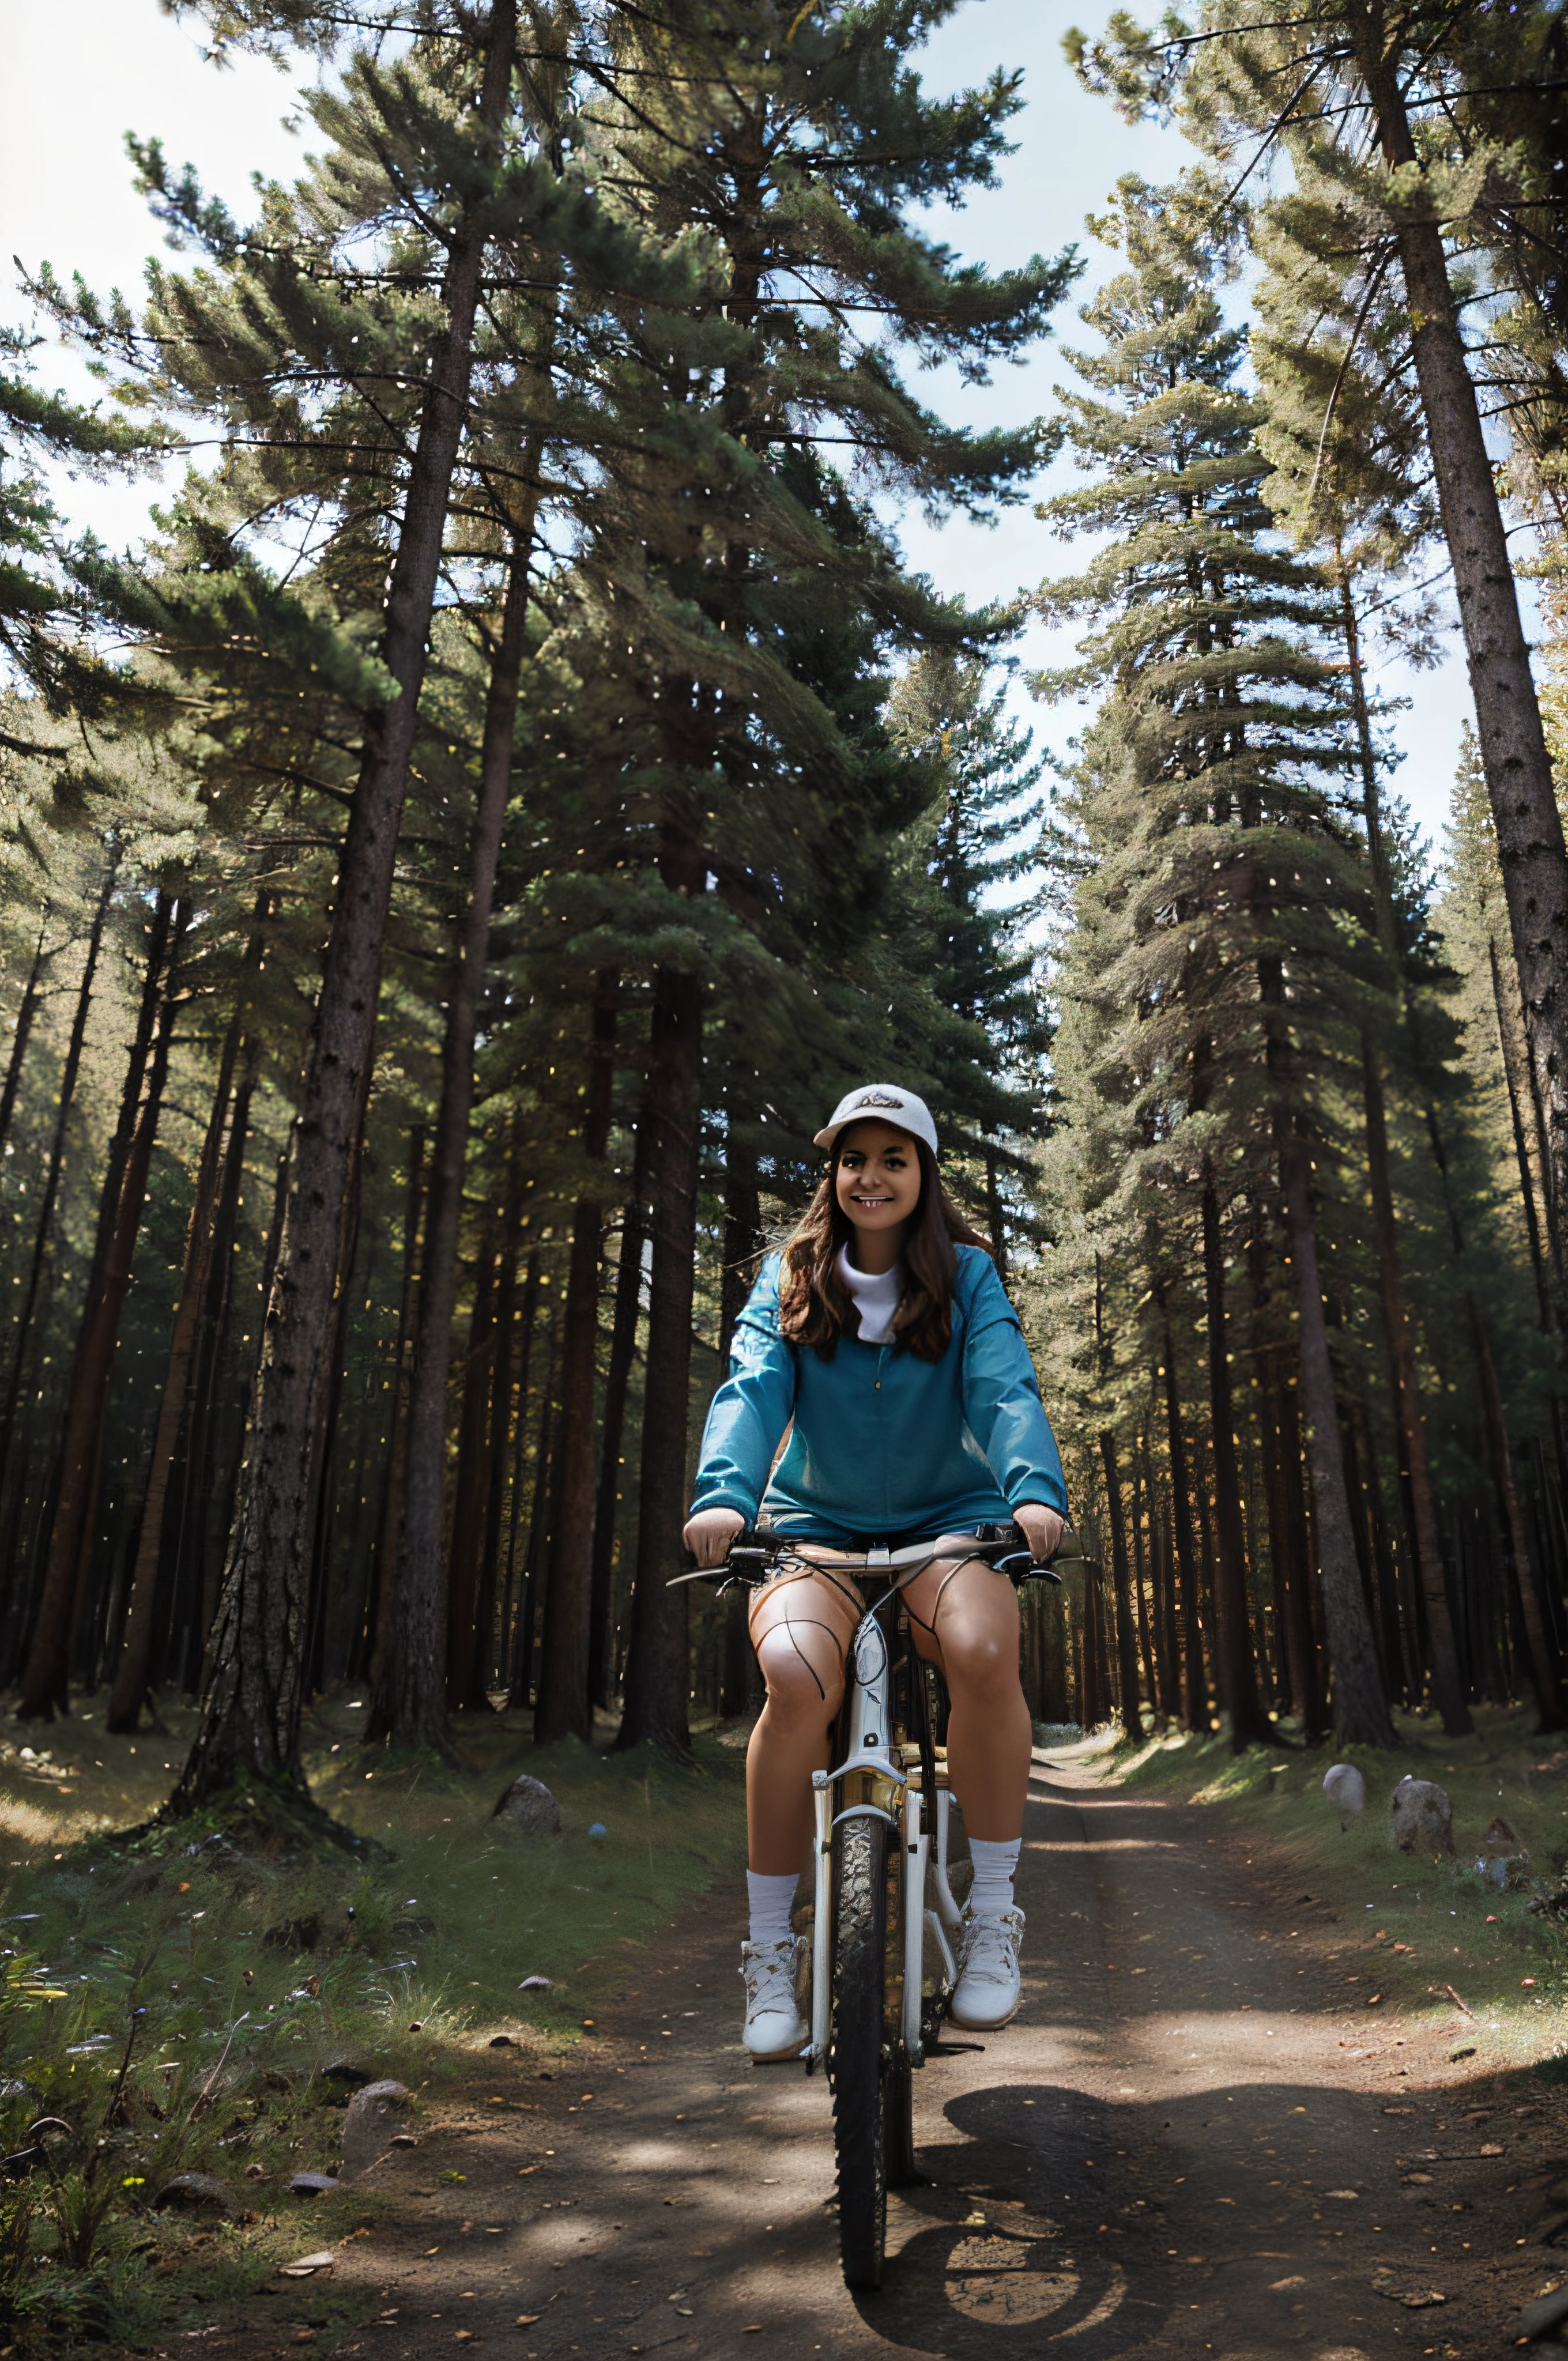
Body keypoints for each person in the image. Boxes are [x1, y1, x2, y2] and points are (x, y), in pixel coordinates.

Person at [683, 1083, 1068, 2062]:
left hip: (947, 1524)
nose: (872, 1176)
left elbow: (1003, 1383)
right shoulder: (792, 1275)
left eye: (895, 1158)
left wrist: (1034, 1493)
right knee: (795, 1675)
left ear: (924, 1175)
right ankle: (771, 1950)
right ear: (834, 1174)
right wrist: (723, 1496)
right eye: (855, 1158)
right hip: (811, 1526)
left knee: (983, 1649)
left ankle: (992, 1917)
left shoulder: (968, 1277)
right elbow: (752, 1386)